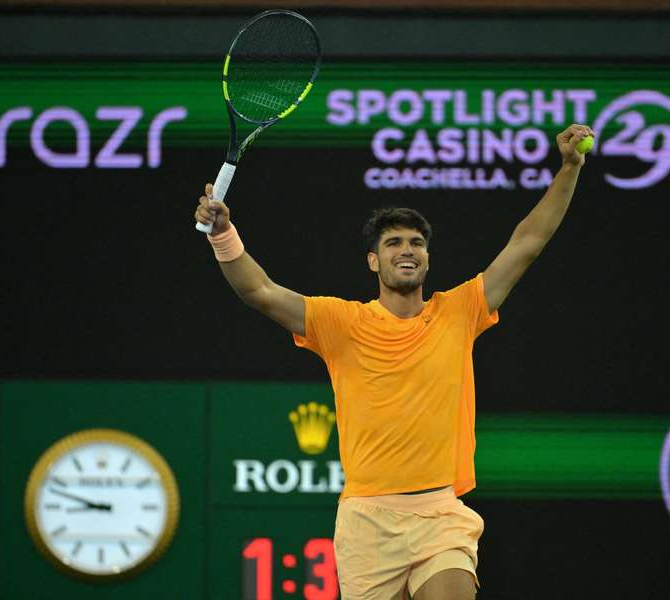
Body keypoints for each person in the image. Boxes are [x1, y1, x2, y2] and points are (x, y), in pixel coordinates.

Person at [194, 124, 593, 600]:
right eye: (393, 243)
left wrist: (569, 169)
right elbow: (258, 291)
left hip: (440, 515)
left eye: (416, 243)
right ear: (373, 262)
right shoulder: (339, 322)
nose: (407, 250)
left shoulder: (460, 311)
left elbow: (527, 243)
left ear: (427, 257)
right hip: (366, 522)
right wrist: (223, 234)